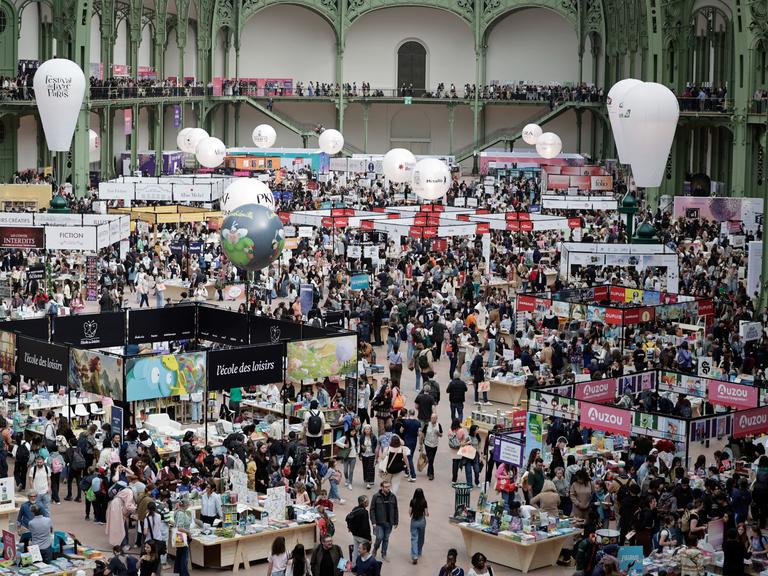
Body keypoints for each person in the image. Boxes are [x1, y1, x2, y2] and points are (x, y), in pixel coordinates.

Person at [369, 481, 398, 561]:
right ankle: (375, 549)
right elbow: (372, 510)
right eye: (386, 487)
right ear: (381, 487)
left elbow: (395, 509)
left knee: (386, 538)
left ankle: (384, 553)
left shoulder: (393, 496)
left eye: (388, 487)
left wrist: (396, 521)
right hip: (379, 523)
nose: (388, 488)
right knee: (379, 537)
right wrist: (373, 522)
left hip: (389, 523)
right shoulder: (376, 497)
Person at [345, 495, 372, 563]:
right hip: (363, 537)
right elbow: (366, 527)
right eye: (367, 501)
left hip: (355, 535)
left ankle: (354, 566)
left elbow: (348, 518)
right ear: (364, 503)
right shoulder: (364, 512)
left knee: (355, 551)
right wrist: (369, 538)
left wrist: (350, 528)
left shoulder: (355, 509)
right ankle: (361, 567)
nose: (368, 502)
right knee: (363, 552)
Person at [419, 413, 442, 481]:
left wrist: (438, 433)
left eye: (434, 418)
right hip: (427, 444)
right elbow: (422, 434)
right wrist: (420, 442)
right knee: (430, 459)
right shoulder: (427, 425)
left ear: (436, 419)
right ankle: (431, 474)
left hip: (435, 445)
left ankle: (429, 471)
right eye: (432, 418)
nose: (433, 419)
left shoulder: (439, 425)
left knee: (431, 459)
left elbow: (441, 435)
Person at [409, 488, 429, 564]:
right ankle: (419, 551)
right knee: (421, 537)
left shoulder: (412, 501)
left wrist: (412, 514)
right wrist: (426, 514)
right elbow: (426, 513)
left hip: (414, 520)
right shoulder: (424, 502)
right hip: (422, 521)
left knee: (414, 538)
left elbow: (410, 512)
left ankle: (414, 555)